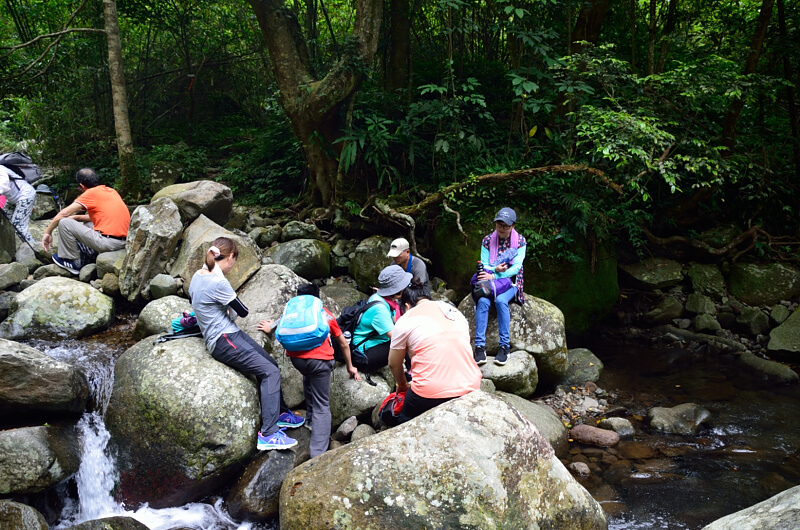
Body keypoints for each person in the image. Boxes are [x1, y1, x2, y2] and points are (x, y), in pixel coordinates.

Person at [188, 237, 304, 451]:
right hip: (223, 340)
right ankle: (268, 433)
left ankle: (279, 413)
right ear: (230, 257)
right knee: (270, 373)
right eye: (235, 259)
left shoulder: (198, 275)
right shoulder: (217, 281)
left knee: (269, 364)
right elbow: (242, 311)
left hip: (229, 333)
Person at [258, 283, 360, 457]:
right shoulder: (324, 314)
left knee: (308, 378)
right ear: (317, 298)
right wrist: (351, 366)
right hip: (320, 362)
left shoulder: (292, 313)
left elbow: (276, 326)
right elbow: (343, 343)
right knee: (323, 405)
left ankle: (310, 419)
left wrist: (268, 328)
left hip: (298, 360)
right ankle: (317, 454)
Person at [384, 279, 482, 426]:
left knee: (402, 422)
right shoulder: (454, 312)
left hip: (429, 391)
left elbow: (393, 363)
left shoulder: (406, 319)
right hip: (471, 386)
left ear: (406, 305)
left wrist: (403, 385)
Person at [41, 168, 130, 275]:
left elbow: (64, 213)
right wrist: (77, 218)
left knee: (64, 223)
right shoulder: (111, 191)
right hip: (124, 241)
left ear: (82, 186)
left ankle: (74, 262)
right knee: (88, 223)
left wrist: (47, 232)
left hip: (109, 243)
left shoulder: (90, 194)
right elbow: (102, 216)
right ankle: (90, 255)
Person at [473, 207, 527, 367]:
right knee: (482, 301)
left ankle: (504, 346)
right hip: (491, 281)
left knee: (501, 301)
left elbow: (516, 268)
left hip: (510, 282)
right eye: (499, 225)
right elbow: (484, 264)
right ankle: (479, 346)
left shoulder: (520, 242)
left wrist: (495, 275)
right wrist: (493, 271)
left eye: (506, 226)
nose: (502, 229)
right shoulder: (487, 240)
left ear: (512, 226)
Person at [351, 265, 412, 372]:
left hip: (373, 343)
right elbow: (396, 338)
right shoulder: (380, 309)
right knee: (405, 346)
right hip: (363, 354)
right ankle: (411, 375)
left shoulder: (384, 300)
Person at [0, 163, 37, 246]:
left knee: (19, 226)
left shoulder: (1, 169)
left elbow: (4, 184)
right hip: (12, 199)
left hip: (25, 195)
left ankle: (34, 248)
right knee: (4, 221)